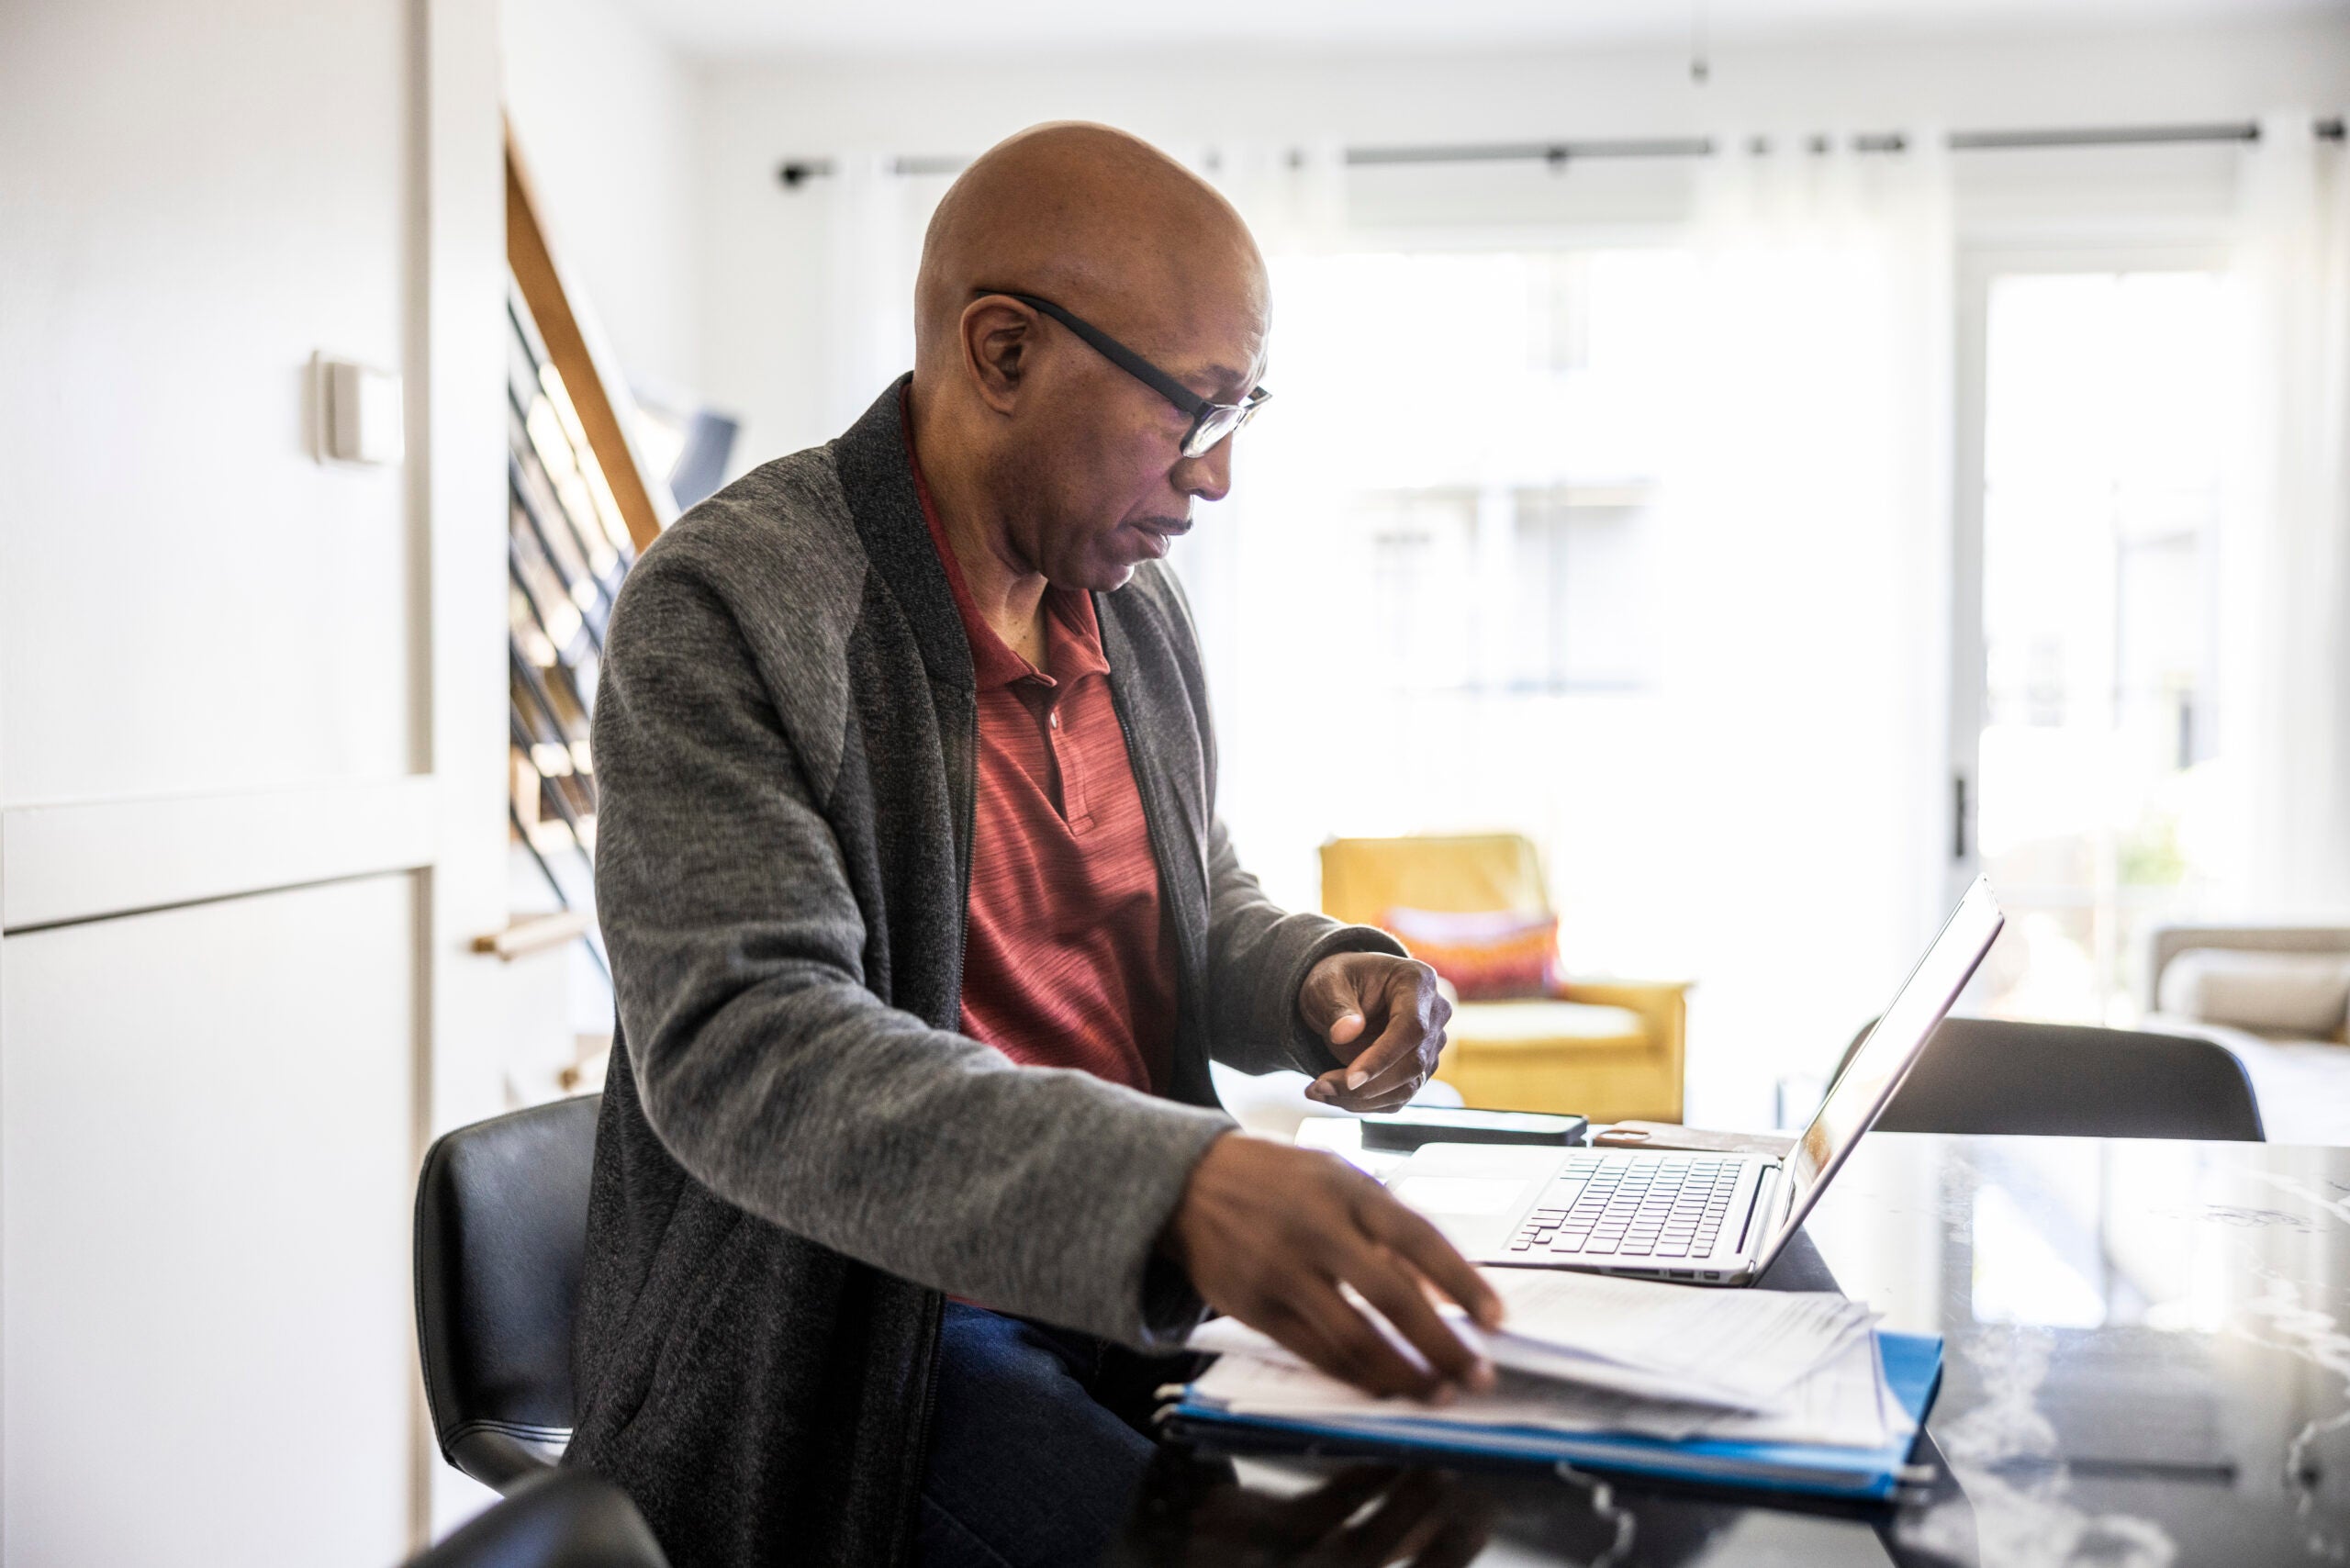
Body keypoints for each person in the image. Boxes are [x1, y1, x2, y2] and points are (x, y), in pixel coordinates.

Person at [568, 121, 1505, 1568]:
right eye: (1195, 411)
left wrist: (1323, 968)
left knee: (1481, 1492)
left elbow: (1187, 904)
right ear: (1001, 352)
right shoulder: (732, 602)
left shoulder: (1129, 600)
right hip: (877, 1337)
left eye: (1247, 411)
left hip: (1130, 1292)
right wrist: (1175, 1186)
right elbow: (749, 1046)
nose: (1219, 476)